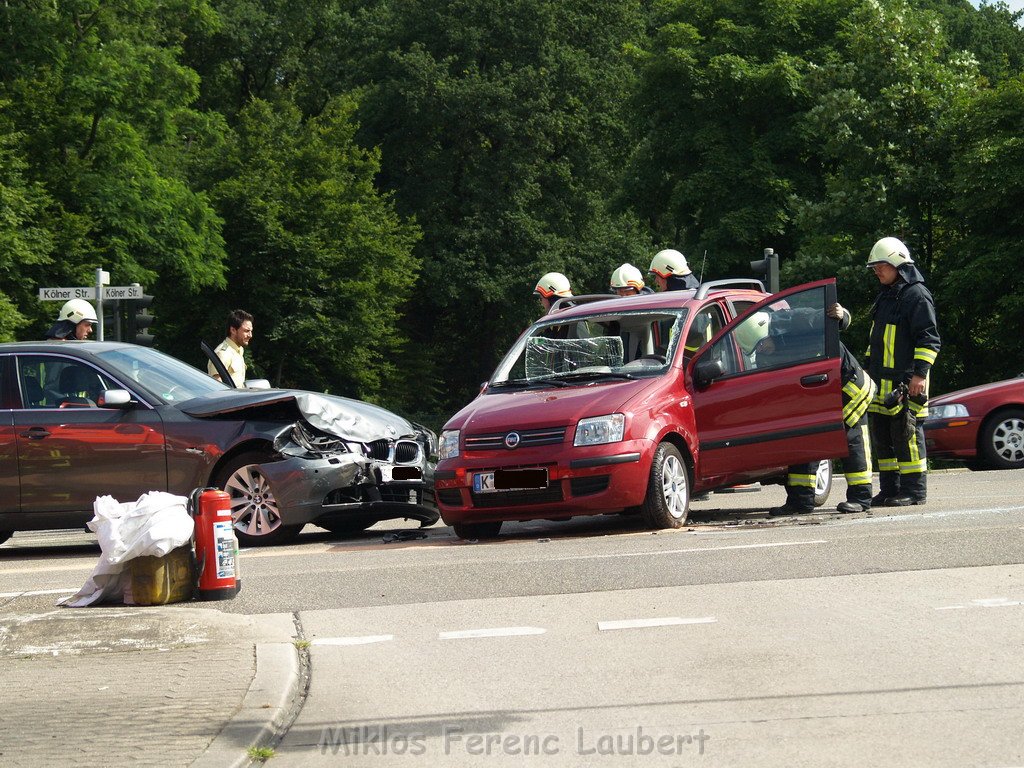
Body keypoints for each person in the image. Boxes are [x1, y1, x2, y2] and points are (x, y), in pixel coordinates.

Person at [762, 305, 876, 515]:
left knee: (850, 438)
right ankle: (800, 501)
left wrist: (844, 314)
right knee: (806, 440)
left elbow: (836, 317)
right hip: (823, 393)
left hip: (850, 388)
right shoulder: (780, 336)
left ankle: (861, 498)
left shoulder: (797, 318)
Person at [864, 236, 940, 507]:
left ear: (897, 262)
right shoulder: (887, 295)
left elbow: (929, 339)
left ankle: (914, 491)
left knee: (907, 438)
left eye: (880, 266)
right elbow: (878, 341)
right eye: (874, 267)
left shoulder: (916, 295)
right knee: (883, 439)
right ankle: (890, 489)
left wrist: (919, 376)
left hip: (907, 383)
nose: (876, 271)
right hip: (882, 385)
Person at [208, 309, 254, 387]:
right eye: (246, 331)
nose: (250, 335)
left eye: (251, 331)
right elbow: (217, 387)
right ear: (233, 330)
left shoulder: (238, 350)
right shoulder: (223, 353)